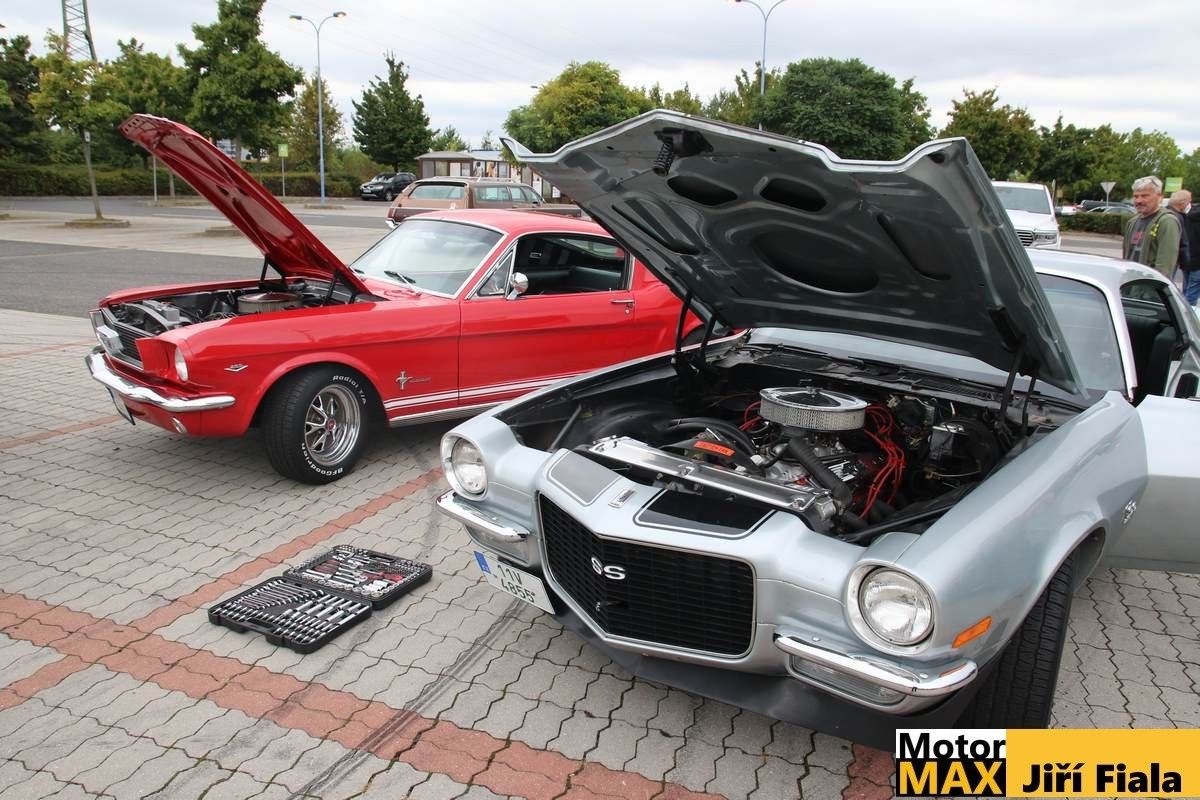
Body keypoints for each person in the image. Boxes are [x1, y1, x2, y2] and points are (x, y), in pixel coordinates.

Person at [1122, 176, 1182, 279]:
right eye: (1136, 196)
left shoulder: (1167, 221)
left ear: (1159, 196)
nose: (1139, 200)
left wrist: (1154, 286)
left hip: (1149, 285)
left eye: (1145, 196)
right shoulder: (1132, 222)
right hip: (1129, 282)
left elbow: (1165, 266)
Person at [1169, 189, 1199, 304]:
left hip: (1186, 258)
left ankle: (1182, 309)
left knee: (1187, 289)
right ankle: (1186, 312)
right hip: (1196, 259)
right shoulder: (1181, 216)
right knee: (1192, 292)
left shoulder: (1182, 217)